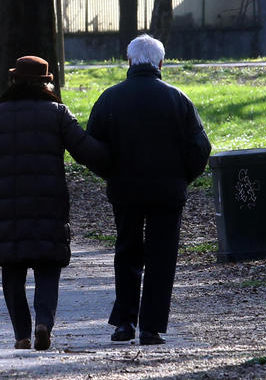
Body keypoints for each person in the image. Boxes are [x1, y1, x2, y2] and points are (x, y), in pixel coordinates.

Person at [0, 56, 109, 351]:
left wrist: (3, 177)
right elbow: (86, 151)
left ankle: (21, 334)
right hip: (49, 202)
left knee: (12, 270)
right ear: (47, 82)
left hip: (8, 206)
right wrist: (118, 154)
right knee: (48, 267)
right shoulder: (58, 113)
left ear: (15, 81)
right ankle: (43, 323)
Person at [86, 35, 211, 345]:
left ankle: (124, 323)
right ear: (160, 63)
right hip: (167, 191)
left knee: (127, 250)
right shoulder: (178, 98)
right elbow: (201, 147)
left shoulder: (109, 98)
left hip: (125, 188)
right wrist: (184, 177)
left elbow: (91, 147)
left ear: (129, 62)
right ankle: (151, 327)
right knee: (161, 256)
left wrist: (110, 174)